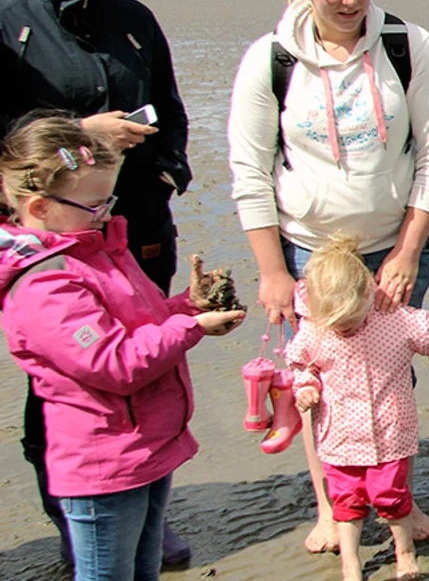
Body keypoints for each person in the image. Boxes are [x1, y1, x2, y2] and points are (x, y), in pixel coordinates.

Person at [226, 0, 429, 553]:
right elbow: (250, 172)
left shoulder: (410, 45)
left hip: (391, 247)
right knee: (319, 385)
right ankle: (332, 506)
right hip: (310, 252)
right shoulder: (268, 61)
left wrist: (409, 249)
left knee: (388, 380)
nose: (352, 0)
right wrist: (273, 270)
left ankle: (397, 502)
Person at [0, 0, 198, 568]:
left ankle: (147, 510)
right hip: (51, 237)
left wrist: (171, 171)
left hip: (135, 225)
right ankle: (76, 517)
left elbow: (170, 108)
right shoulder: (7, 19)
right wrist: (78, 134)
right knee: (67, 384)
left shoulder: (134, 21)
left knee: (149, 357)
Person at [0, 117, 245, 581]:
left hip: (143, 444)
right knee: (105, 574)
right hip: (102, 461)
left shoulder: (98, 250)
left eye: (108, 199)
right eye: (94, 203)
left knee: (145, 567)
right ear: (39, 207)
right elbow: (114, 363)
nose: (106, 211)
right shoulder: (45, 283)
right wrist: (191, 326)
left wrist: (185, 305)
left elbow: (141, 324)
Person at [287, 233, 429, 581]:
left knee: (392, 497)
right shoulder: (316, 331)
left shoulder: (396, 321)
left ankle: (404, 551)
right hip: (339, 439)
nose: (342, 326)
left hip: (390, 434)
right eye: (335, 321)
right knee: (346, 504)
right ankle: (351, 564)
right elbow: (302, 368)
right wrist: (306, 390)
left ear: (368, 294)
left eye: (349, 318)